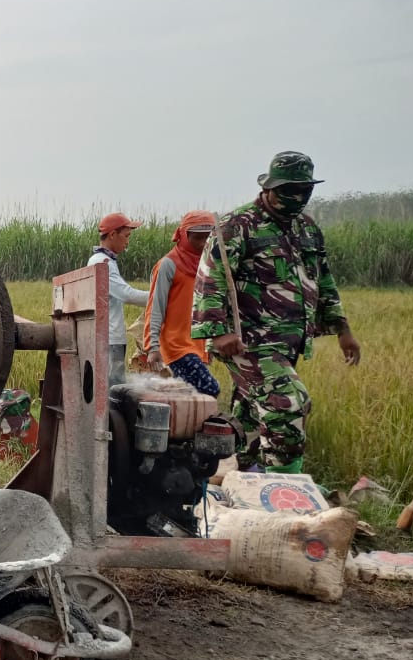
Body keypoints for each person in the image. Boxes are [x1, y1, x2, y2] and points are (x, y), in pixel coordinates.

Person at [193, 151, 361, 474]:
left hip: (286, 344)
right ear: (269, 188)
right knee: (288, 405)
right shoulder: (238, 226)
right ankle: (285, 488)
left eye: (305, 190)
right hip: (247, 341)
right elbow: (209, 277)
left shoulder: (308, 230)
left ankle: (235, 480)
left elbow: (323, 279)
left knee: (251, 419)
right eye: (289, 191)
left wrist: (343, 330)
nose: (297, 198)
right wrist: (217, 332)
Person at [143, 211, 220, 396]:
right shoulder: (169, 265)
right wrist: (152, 347)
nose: (202, 244)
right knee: (210, 389)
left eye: (207, 238)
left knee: (190, 397)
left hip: (197, 346)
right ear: (184, 236)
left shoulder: (209, 266)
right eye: (196, 238)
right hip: (176, 346)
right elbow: (155, 306)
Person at [87, 213, 150, 385]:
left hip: (110, 336)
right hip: (110, 338)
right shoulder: (102, 262)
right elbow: (127, 294)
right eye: (126, 236)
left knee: (112, 387)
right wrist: (159, 297)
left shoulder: (105, 260)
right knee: (113, 390)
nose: (128, 242)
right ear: (113, 234)